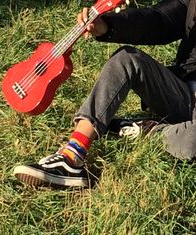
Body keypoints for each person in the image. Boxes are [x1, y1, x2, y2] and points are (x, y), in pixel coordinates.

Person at [13, 0, 196, 188]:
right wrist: (108, 26)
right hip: (183, 92)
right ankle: (71, 156)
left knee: (192, 142)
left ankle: (146, 130)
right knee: (126, 59)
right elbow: (160, 20)